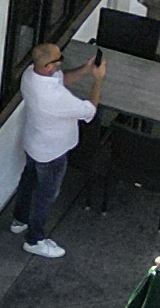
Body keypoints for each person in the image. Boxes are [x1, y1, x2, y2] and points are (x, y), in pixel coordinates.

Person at [11, 38, 104, 259]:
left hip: (34, 143)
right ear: (48, 66)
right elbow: (89, 111)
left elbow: (60, 79)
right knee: (46, 196)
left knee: (28, 182)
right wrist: (98, 80)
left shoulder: (30, 75)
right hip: (53, 152)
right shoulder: (54, 98)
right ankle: (34, 240)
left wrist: (85, 70)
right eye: (58, 60)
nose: (62, 61)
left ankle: (19, 220)